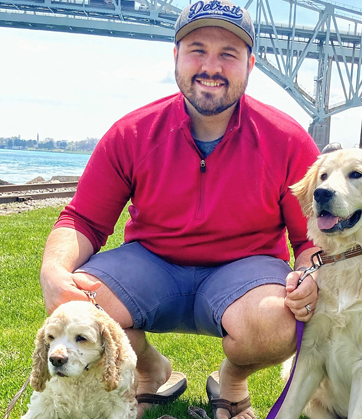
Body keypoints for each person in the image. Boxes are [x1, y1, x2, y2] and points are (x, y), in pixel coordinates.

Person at [38, 1, 321, 418]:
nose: (211, 66)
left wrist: (312, 274)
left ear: (250, 64)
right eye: (197, 49)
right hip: (152, 263)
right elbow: (82, 219)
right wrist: (53, 270)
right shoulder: (131, 132)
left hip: (246, 270)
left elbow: (311, 238)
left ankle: (232, 381)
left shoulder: (289, 140)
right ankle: (152, 370)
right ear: (176, 56)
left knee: (280, 320)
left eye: (228, 54)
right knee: (77, 302)